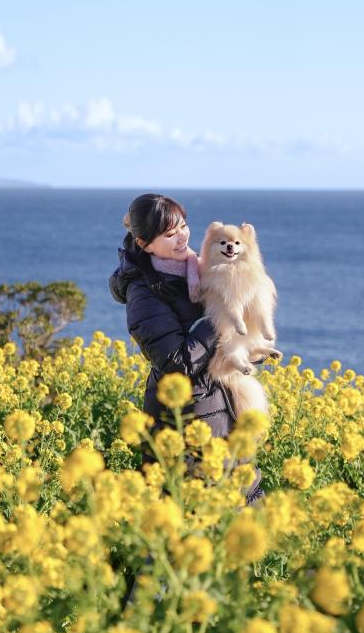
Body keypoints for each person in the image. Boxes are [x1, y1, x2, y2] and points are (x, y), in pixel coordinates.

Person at [109, 192, 265, 506]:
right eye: (170, 234)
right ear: (144, 244)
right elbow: (178, 363)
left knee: (243, 512)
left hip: (221, 411)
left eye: (183, 226)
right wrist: (219, 317)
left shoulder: (194, 269)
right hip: (184, 422)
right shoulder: (143, 294)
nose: (182, 238)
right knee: (190, 520)